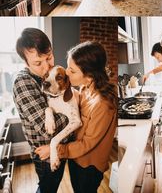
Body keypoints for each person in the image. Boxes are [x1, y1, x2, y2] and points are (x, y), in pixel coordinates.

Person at [36, 41, 117, 193]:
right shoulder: (84, 88)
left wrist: (55, 149)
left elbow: (87, 144)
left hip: (89, 166)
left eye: (72, 71)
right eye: (68, 67)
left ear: (89, 76)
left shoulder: (103, 105)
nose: (66, 72)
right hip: (75, 158)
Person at [13, 28, 68, 193]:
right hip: (45, 154)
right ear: (26, 62)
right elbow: (49, 130)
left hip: (60, 148)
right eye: (38, 63)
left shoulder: (49, 74)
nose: (47, 67)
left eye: (49, 57)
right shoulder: (23, 83)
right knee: (47, 189)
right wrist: (75, 115)